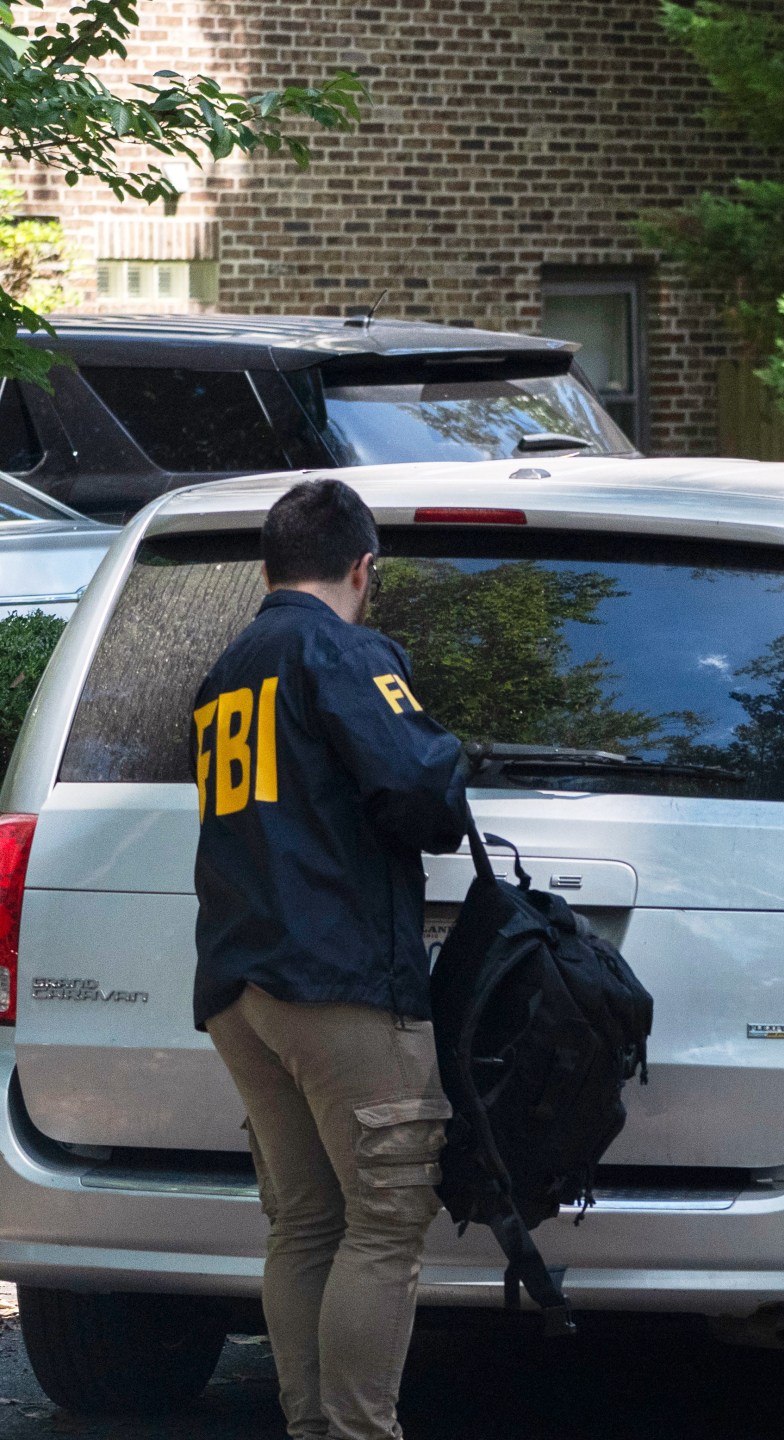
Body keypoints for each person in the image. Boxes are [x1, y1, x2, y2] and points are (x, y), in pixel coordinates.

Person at [194, 477, 471, 1440]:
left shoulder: (226, 673)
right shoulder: (345, 651)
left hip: (241, 988)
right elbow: (424, 793)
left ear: (267, 568)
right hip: (340, 981)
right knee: (385, 1224)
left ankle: (313, 1429)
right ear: (363, 568)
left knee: (306, 1223)